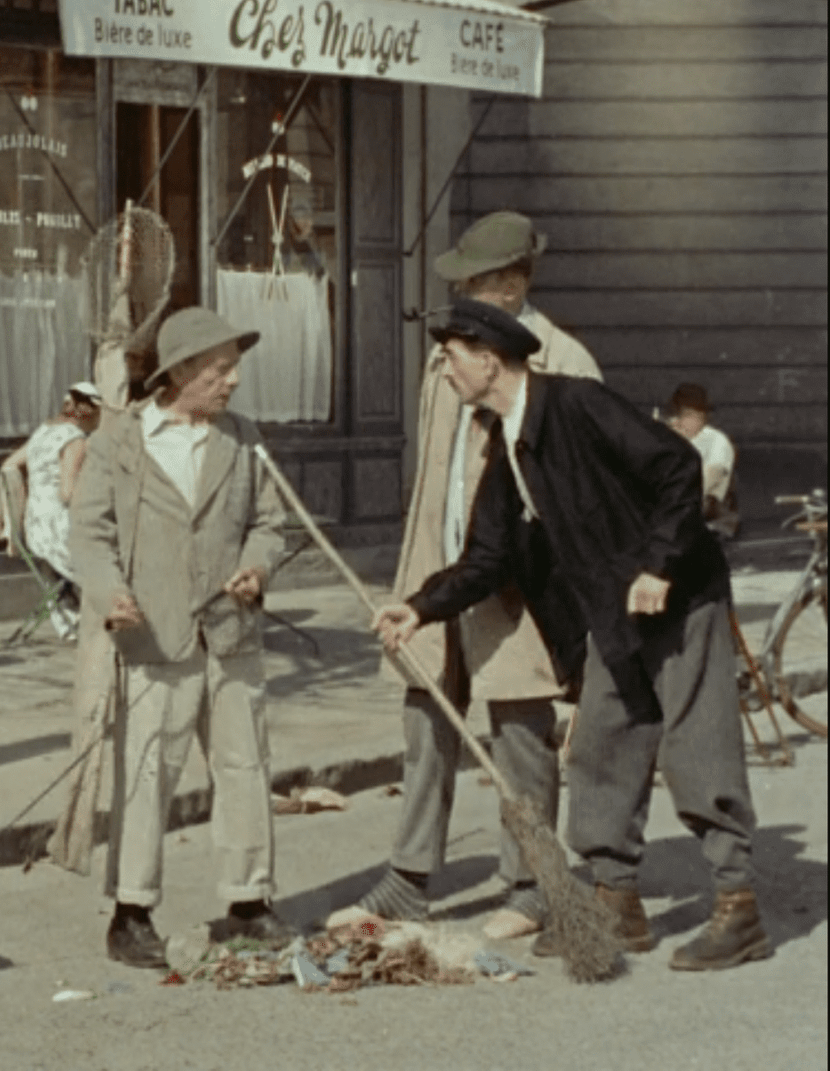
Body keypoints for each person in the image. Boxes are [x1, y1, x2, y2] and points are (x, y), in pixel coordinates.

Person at [374, 299, 769, 972]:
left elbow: (678, 467)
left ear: (488, 361)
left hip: (680, 595)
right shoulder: (507, 442)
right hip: (614, 612)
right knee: (600, 746)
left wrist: (658, 565)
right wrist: (420, 608)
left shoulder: (579, 404)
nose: (443, 370)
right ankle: (617, 901)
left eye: (451, 358)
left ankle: (738, 907)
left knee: (696, 746)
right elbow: (489, 554)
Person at [329, 211, 601, 942]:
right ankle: (408, 880)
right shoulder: (446, 356)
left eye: (474, 282)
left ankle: (533, 884)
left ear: (511, 284)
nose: (459, 295)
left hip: (518, 583)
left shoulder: (566, 362)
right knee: (426, 717)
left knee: (519, 728)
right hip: (438, 570)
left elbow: (579, 490)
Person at [70, 306, 289, 968]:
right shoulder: (119, 442)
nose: (234, 381)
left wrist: (257, 567)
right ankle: (131, 912)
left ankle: (248, 903)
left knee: (244, 767)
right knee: (146, 774)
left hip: (230, 632)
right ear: (182, 372)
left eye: (234, 368)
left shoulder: (244, 439)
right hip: (155, 636)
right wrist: (110, 594)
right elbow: (91, 534)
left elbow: (270, 523)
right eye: (220, 370)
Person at [11, 381, 102, 639]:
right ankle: (101, 623)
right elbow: (67, 493)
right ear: (88, 413)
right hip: (58, 531)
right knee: (108, 553)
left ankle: (71, 623)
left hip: (35, 528)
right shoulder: (75, 439)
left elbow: (10, 465)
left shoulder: (43, 432)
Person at [665, 383, 739, 538]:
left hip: (707, 512)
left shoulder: (716, 441)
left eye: (693, 416)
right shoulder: (669, 437)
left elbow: (707, 482)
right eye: (681, 415)